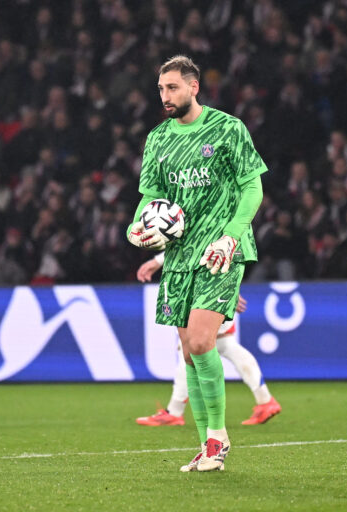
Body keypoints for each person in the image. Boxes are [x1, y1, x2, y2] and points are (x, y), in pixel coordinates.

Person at [126, 55, 267, 472]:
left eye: (172, 87)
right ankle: (207, 444)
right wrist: (136, 227)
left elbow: (252, 188)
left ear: (194, 87)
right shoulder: (157, 140)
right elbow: (149, 199)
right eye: (161, 89)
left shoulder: (227, 129)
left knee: (204, 343)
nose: (165, 96)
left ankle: (217, 438)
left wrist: (231, 234)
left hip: (222, 251)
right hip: (179, 255)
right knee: (189, 354)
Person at [134, 252, 281, 427]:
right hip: (204, 287)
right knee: (223, 345)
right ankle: (265, 401)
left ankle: (174, 412)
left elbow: (200, 243)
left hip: (209, 290)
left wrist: (228, 287)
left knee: (193, 348)